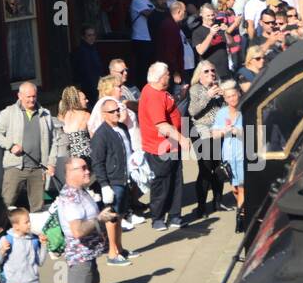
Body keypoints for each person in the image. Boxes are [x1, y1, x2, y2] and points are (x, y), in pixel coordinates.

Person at [55, 157, 113, 283]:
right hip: (80, 258)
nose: (88, 171)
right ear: (70, 172)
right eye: (83, 168)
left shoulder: (80, 192)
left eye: (87, 167)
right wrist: (99, 219)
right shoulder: (71, 198)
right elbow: (77, 231)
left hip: (90, 255)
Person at [0, 81, 60, 213]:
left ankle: (37, 233)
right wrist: (10, 146)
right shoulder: (9, 112)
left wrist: (51, 163)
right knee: (6, 203)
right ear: (19, 96)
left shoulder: (45, 114)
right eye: (28, 97)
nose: (32, 99)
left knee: (38, 208)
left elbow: (54, 141)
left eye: (34, 96)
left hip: (38, 168)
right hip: (15, 167)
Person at [139, 62, 191, 231]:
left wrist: (180, 97)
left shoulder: (160, 92)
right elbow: (161, 125)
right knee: (162, 183)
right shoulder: (153, 95)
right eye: (168, 74)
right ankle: (158, 218)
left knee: (176, 181)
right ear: (160, 77)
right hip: (160, 147)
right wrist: (182, 139)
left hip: (172, 147)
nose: (170, 75)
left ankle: (175, 216)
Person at [90, 99, 132, 265]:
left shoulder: (121, 128)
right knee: (112, 217)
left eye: (118, 110)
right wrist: (104, 185)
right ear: (104, 114)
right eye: (112, 111)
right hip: (112, 181)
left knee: (120, 216)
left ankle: (120, 249)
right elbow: (97, 162)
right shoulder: (101, 135)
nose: (117, 113)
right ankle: (112, 253)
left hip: (125, 178)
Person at [187, 60, 226, 219]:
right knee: (205, 169)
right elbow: (192, 111)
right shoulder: (195, 89)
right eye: (206, 71)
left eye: (212, 70)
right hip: (201, 132)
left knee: (219, 168)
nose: (211, 74)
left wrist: (225, 98)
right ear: (199, 75)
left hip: (218, 132)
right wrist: (208, 96)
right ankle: (201, 206)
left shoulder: (219, 86)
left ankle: (218, 202)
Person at [212, 80, 247, 229]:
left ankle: (241, 216)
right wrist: (222, 131)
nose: (232, 99)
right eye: (229, 97)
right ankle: (243, 210)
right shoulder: (221, 114)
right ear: (225, 99)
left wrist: (238, 131)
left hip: (243, 153)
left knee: (242, 186)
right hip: (228, 155)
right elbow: (214, 134)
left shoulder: (245, 110)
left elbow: (255, 132)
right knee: (235, 188)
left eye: (234, 95)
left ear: (239, 94)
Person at [154, 0, 187, 93]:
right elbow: (170, 51)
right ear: (179, 12)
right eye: (184, 11)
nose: (185, 14)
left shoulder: (171, 24)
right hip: (170, 70)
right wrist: (175, 72)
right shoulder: (170, 26)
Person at [191, 3, 230, 79]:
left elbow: (231, 44)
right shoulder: (197, 32)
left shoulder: (220, 27)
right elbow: (200, 51)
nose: (211, 18)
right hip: (210, 74)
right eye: (208, 16)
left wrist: (226, 32)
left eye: (212, 15)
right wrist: (211, 34)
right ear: (201, 14)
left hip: (225, 71)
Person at [58, 85, 92, 165]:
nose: (87, 100)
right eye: (84, 99)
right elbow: (94, 137)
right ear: (77, 101)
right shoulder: (86, 115)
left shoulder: (60, 116)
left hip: (68, 158)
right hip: (85, 157)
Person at [129, 0, 157, 73]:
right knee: (142, 68)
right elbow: (150, 15)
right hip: (140, 39)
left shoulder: (151, 3)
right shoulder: (137, 1)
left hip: (150, 39)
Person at [71, 26, 104, 104]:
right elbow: (86, 72)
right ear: (83, 37)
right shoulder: (81, 52)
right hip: (89, 88)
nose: (92, 37)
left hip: (97, 85)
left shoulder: (94, 49)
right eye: (89, 35)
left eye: (93, 35)